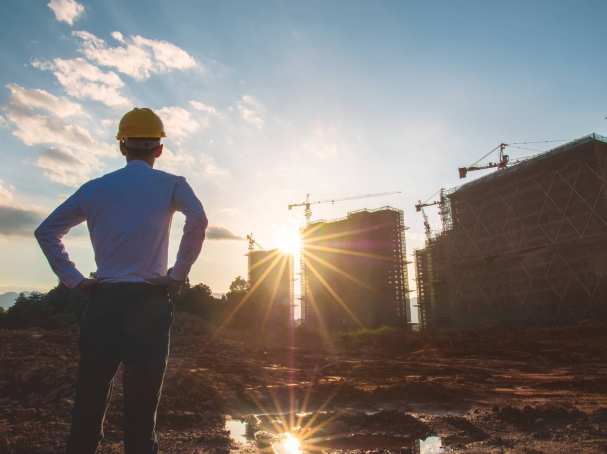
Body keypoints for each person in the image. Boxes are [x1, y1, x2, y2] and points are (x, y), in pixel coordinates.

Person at [34, 107, 208, 454]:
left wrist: (75, 280)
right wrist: (177, 275)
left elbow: (46, 231)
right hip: (149, 304)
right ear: (159, 149)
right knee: (142, 412)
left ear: (121, 147)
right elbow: (198, 221)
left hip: (104, 303)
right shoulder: (172, 185)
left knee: (89, 401)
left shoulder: (96, 189)